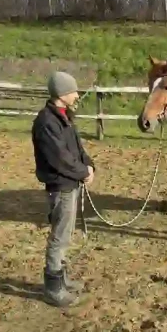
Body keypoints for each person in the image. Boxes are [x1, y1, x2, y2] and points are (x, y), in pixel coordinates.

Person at [31, 71, 95, 307]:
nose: (77, 95)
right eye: (73, 91)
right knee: (59, 236)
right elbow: (60, 158)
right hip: (61, 185)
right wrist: (83, 172)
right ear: (62, 93)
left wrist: (88, 165)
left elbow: (76, 149)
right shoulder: (47, 122)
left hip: (70, 182)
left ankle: (61, 279)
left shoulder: (63, 117)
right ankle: (53, 288)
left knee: (65, 234)